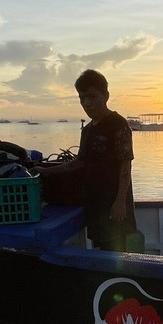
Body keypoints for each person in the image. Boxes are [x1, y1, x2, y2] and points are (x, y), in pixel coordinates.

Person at [36, 69, 136, 251]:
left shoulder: (118, 124)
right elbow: (79, 162)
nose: (87, 103)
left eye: (92, 96)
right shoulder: (88, 130)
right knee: (101, 248)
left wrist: (120, 202)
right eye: (82, 98)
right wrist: (45, 171)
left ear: (105, 96)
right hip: (95, 203)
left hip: (114, 202)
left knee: (116, 251)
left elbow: (125, 165)